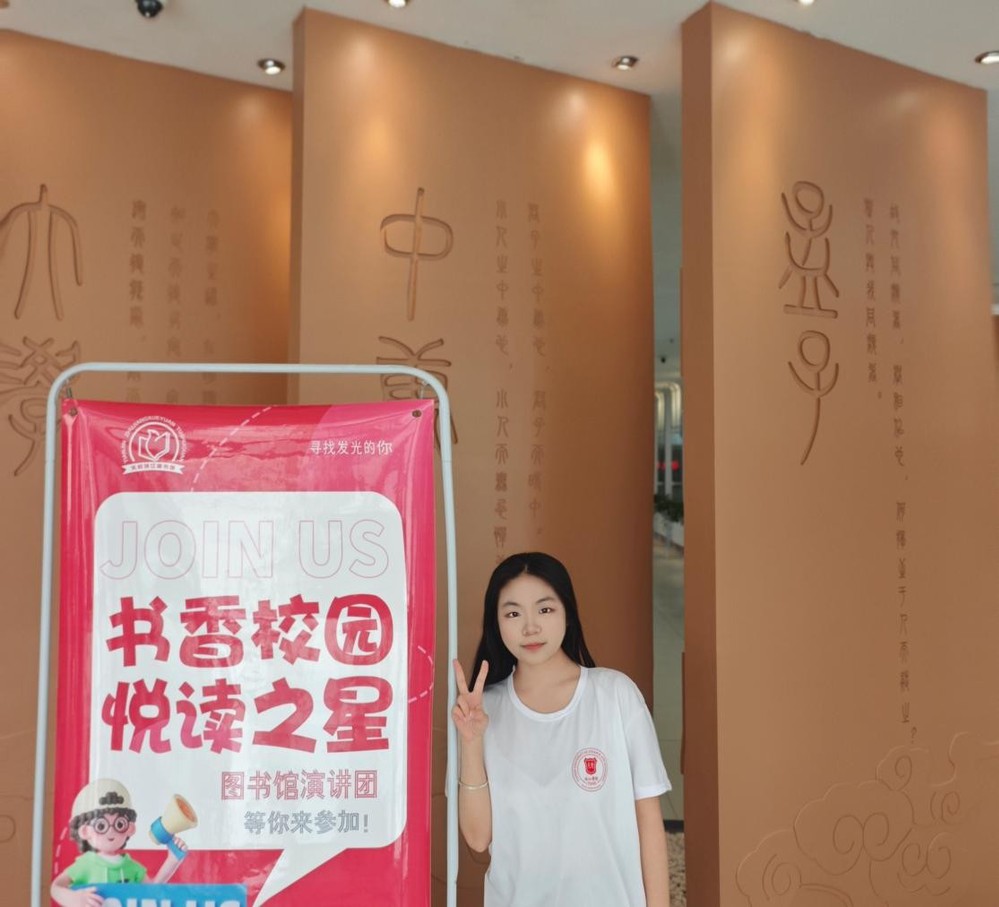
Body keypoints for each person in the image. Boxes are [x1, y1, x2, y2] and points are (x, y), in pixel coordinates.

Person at [452, 551, 671, 906]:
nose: (530, 627)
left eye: (545, 609)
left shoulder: (615, 695)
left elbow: (648, 822)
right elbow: (478, 838)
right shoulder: (482, 713)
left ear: (567, 614)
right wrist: (472, 742)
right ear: (496, 624)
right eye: (513, 613)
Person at [50, 778, 186, 907]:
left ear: (130, 828)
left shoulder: (132, 867)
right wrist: (76, 898)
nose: (111, 831)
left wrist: (172, 860)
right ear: (85, 831)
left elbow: (151, 893)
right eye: (101, 826)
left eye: (119, 824)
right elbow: (55, 888)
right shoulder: (85, 865)